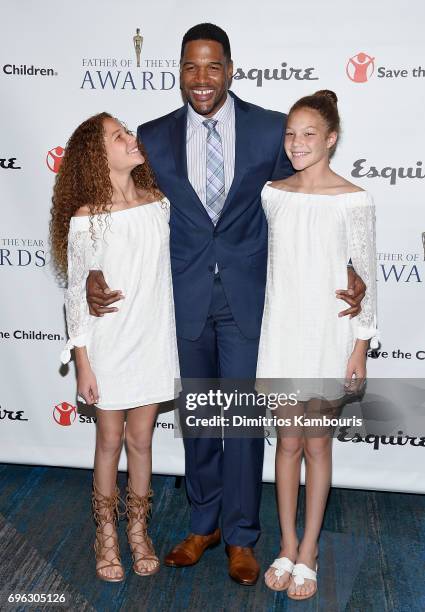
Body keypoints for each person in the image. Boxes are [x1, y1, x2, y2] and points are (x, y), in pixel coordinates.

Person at [86, 24, 366, 586]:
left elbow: (310, 201)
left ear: (231, 68)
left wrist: (350, 264)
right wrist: (93, 263)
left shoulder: (270, 130)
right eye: (191, 66)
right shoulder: (154, 136)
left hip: (249, 300)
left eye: (213, 66)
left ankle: (241, 535)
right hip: (181, 299)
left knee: (238, 421)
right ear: (180, 71)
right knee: (198, 419)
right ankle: (202, 523)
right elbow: (120, 199)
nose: (202, 78)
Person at [257, 90, 378, 600]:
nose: (297, 143)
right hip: (282, 329)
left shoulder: (354, 199)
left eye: (309, 134)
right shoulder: (272, 192)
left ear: (331, 139)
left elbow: (366, 277)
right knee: (287, 445)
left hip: (328, 332)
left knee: (317, 444)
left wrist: (359, 348)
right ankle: (286, 544)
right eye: (291, 134)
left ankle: (310, 549)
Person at [50, 112, 180, 582]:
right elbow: (76, 295)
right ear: (96, 155)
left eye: (126, 130)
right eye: (117, 136)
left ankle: (139, 532)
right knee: (109, 441)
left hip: (152, 338)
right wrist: (83, 362)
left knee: (141, 441)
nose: (130, 138)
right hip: (109, 345)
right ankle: (106, 535)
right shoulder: (88, 218)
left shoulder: (158, 201)